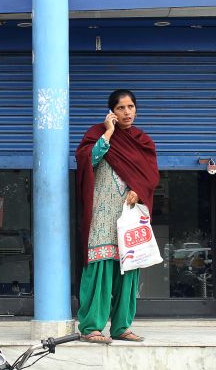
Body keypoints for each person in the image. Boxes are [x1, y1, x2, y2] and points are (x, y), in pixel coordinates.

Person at [75, 89, 159, 344]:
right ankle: (91, 327)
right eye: (121, 108)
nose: (127, 112)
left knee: (129, 268)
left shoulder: (142, 140)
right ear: (112, 111)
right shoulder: (95, 135)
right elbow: (87, 161)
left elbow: (151, 176)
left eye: (131, 107)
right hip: (102, 214)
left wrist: (139, 191)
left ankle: (122, 327)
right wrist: (108, 133)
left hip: (129, 215)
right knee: (100, 266)